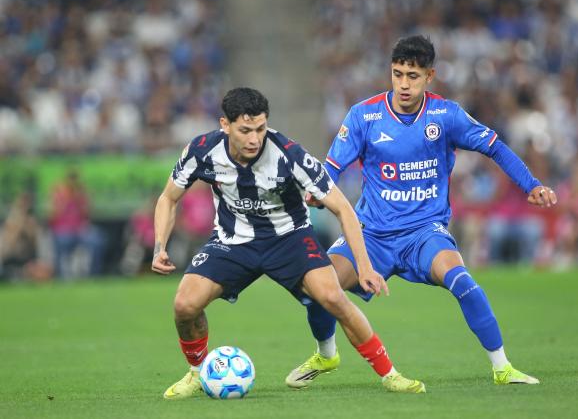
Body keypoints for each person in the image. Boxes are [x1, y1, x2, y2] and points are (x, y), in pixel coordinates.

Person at [287, 35, 557, 388]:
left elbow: (495, 147)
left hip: (424, 232)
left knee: (463, 281)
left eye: (412, 76)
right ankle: (326, 353)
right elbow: (333, 167)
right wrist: (318, 192)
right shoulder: (364, 115)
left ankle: (502, 367)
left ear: (430, 76)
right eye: (397, 74)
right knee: (320, 289)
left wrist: (531, 184)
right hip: (372, 235)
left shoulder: (446, 115)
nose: (403, 84)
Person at [152, 87, 425, 400]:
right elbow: (168, 197)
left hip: (290, 238)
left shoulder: (289, 154)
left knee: (334, 297)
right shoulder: (202, 150)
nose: (255, 139)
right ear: (225, 125)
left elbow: (343, 208)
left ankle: (390, 375)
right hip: (232, 241)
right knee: (184, 305)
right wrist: (160, 246)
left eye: (260, 129)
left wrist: (364, 267)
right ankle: (198, 373)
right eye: (245, 131)